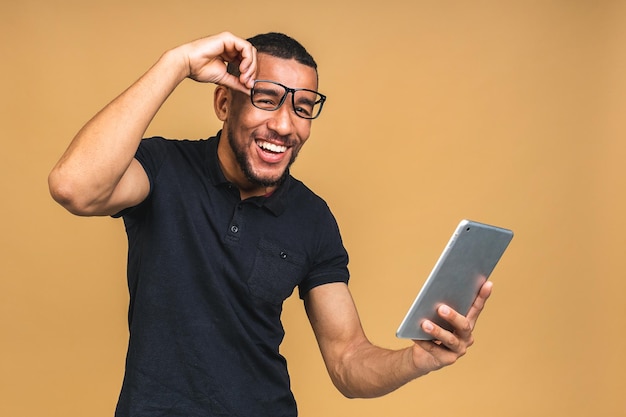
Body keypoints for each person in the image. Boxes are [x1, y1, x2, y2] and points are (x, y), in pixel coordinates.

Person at [48, 31, 493, 417]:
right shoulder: (164, 169)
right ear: (224, 102)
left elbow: (347, 359)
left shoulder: (312, 218)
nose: (284, 124)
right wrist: (177, 62)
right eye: (266, 99)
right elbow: (74, 187)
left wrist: (419, 359)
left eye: (302, 107)